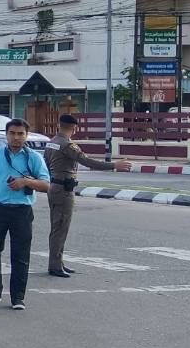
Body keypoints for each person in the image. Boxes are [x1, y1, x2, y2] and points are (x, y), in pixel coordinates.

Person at [44, 113, 131, 278]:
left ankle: (57, 262)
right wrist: (114, 165)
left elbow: (45, 165)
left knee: (57, 226)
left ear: (59, 125)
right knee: (61, 227)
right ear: (74, 128)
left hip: (54, 186)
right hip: (64, 190)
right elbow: (88, 162)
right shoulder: (68, 145)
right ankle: (55, 265)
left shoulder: (52, 143)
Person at [0, 118, 51, 309]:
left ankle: (18, 297)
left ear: (26, 135)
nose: (16, 137)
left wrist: (25, 182)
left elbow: (46, 185)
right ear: (6, 135)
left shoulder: (34, 158)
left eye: (20, 134)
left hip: (21, 211)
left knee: (20, 255)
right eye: (12, 133)